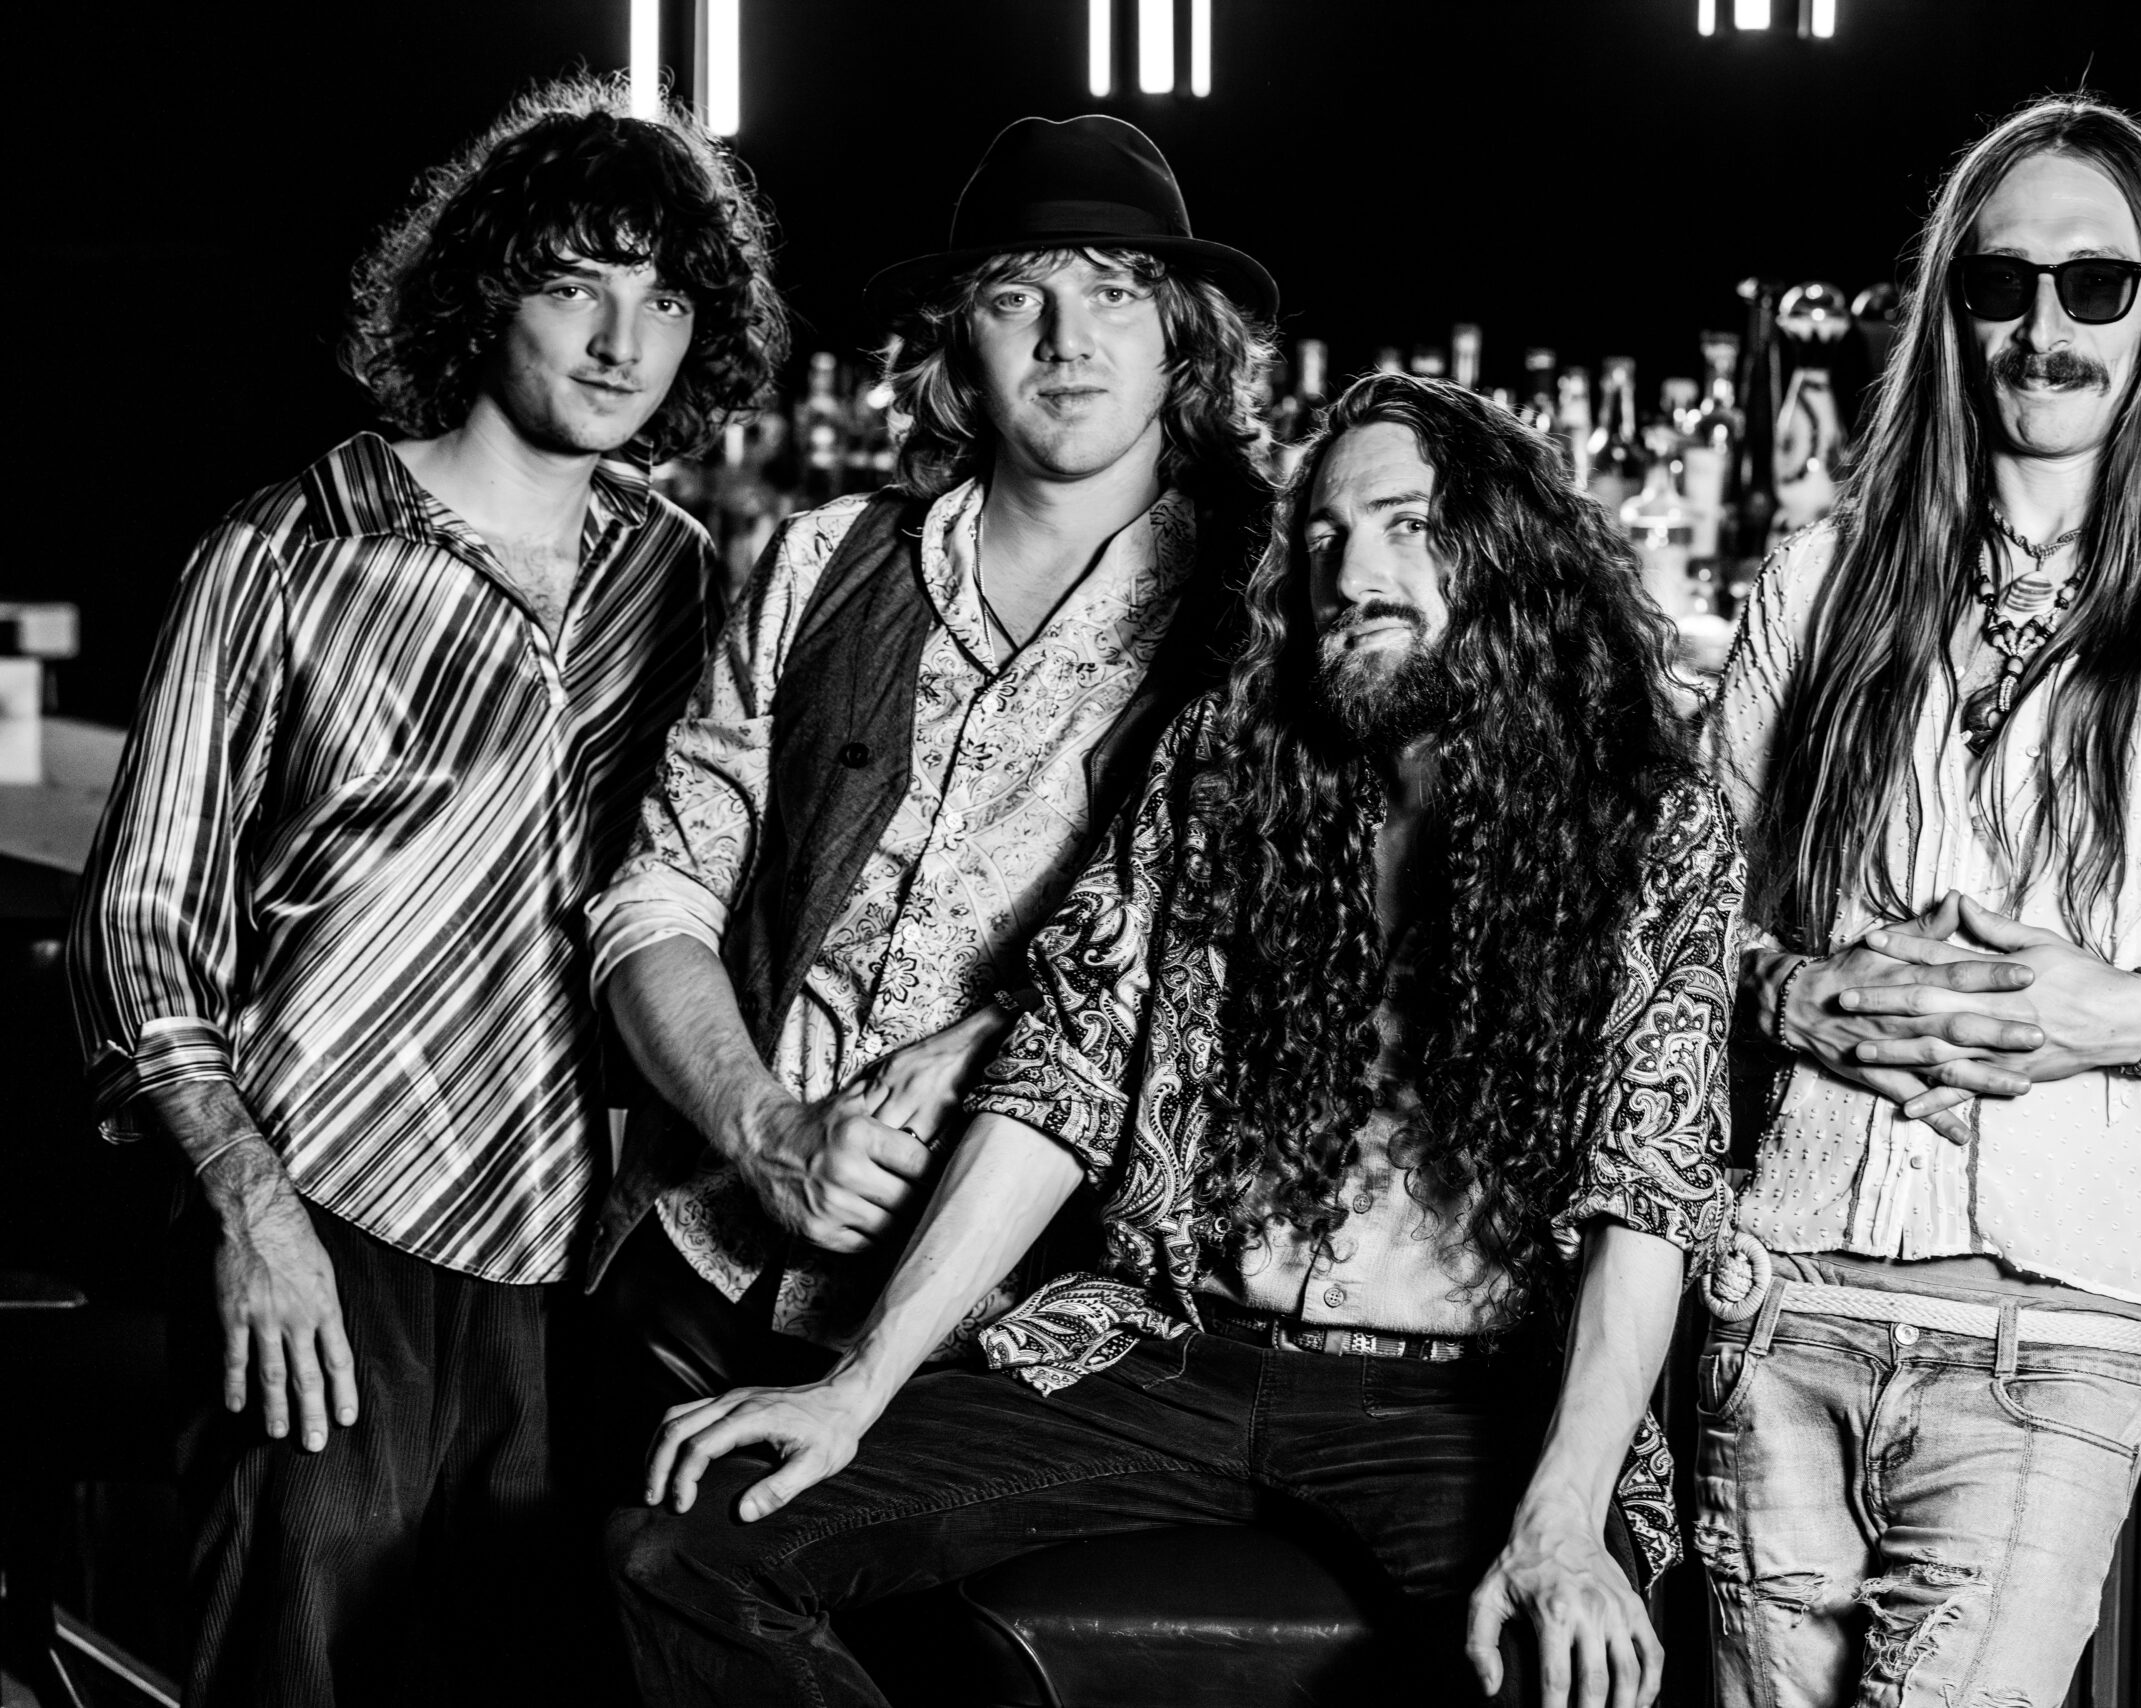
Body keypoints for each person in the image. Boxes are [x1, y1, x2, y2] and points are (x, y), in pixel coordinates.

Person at [603, 373, 1743, 1708]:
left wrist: (1563, 1517)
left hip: (1463, 1402)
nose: (1351, 574)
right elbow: (1060, 1075)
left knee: (1563, 1667)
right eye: (1322, 538)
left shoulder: (1650, 823)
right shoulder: (1228, 768)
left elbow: (1646, 1189)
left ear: (1510, 555)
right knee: (684, 1551)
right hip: (1173, 1352)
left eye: (1408, 525)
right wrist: (858, 1384)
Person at [67, 78, 784, 1706]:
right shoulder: (285, 551)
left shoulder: (677, 578)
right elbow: (138, 926)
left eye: (667, 301)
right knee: (299, 1673)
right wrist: (248, 1214)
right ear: (482, 297)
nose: (623, 342)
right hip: (328, 1211)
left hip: (573, 1239)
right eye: (575, 286)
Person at [1705, 95, 2141, 1705]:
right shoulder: (1819, 580)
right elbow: (1678, 922)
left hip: (2059, 1339)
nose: (2045, 330)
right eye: (2002, 284)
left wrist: (2132, 1016)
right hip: (1779, 1304)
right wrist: (1793, 990)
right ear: (1949, 309)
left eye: (2097, 286)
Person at [581, 113, 1277, 1422]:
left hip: (1024, 1339)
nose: (1067, 341)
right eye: (1019, 297)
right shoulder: (823, 562)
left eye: (1115, 294)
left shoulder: (1263, 620)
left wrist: (1005, 1034)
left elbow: (1282, 962)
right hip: (701, 1264)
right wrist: (767, 1131)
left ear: (1180, 336)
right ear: (960, 341)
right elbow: (655, 897)